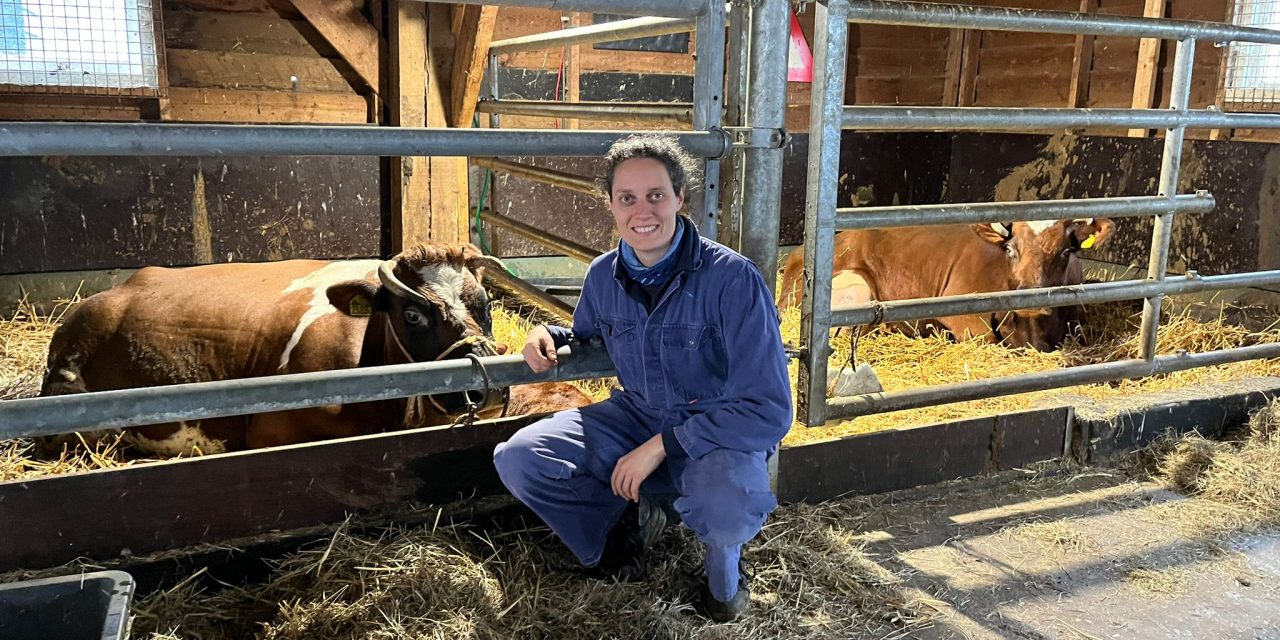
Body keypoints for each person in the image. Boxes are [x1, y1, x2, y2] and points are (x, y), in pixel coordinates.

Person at [492, 133, 792, 622]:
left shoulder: (733, 280)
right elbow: (585, 335)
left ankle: (724, 580)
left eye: (656, 195)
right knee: (521, 458)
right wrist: (545, 334)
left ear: (680, 198)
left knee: (727, 504)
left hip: (716, 431)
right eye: (626, 198)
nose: (642, 211)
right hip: (636, 414)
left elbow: (771, 410)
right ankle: (620, 536)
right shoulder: (601, 275)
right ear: (609, 204)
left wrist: (661, 445)